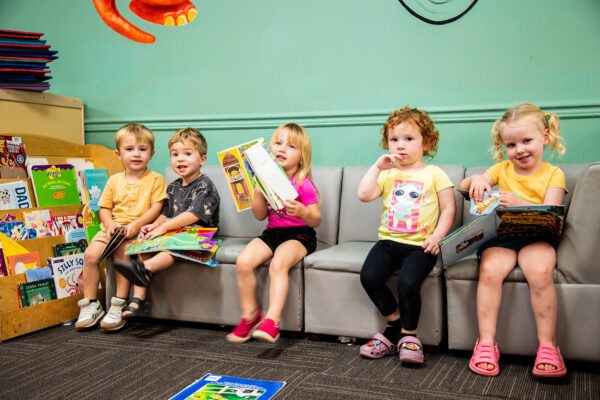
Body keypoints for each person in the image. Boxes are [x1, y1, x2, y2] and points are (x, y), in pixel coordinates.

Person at [460, 103, 567, 378]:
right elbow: (465, 186)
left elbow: (552, 211)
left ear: (545, 138)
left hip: (537, 236)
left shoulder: (554, 174)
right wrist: (478, 181)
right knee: (489, 271)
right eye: (511, 144)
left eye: (527, 141)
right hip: (503, 236)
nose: (519, 149)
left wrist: (519, 202)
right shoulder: (502, 169)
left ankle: (548, 346)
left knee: (541, 272)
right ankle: (485, 343)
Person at [357, 107, 455, 364]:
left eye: (409, 139)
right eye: (394, 139)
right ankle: (394, 323)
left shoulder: (436, 174)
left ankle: (409, 336)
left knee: (407, 283)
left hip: (419, 246)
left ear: (427, 142)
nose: (400, 145)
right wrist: (378, 166)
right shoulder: (388, 173)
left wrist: (437, 237)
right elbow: (364, 195)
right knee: (369, 276)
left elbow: (449, 209)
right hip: (388, 242)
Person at [226, 123, 322, 344]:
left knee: (279, 264)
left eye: (291, 146)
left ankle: (272, 321)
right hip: (273, 232)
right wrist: (257, 193)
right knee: (243, 261)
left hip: (300, 234)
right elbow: (260, 216)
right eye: (277, 143)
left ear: (301, 157)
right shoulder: (263, 181)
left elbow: (317, 219)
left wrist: (303, 211)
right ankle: (250, 315)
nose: (281, 149)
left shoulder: (303, 184)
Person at [113, 127, 220, 317]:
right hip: (176, 232)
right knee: (143, 244)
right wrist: (153, 226)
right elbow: (164, 212)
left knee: (171, 248)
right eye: (175, 154)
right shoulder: (172, 187)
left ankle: (145, 268)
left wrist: (164, 227)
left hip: (198, 235)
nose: (180, 159)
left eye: (187, 154)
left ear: (202, 160)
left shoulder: (205, 185)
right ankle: (139, 299)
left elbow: (192, 216)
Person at [75, 123, 167, 331]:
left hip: (136, 231)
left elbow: (156, 208)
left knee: (123, 255)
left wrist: (136, 224)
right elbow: (104, 208)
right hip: (112, 230)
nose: (136, 154)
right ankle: (91, 304)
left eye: (142, 150)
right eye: (129, 149)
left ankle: (118, 303)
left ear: (151, 154)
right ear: (118, 154)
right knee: (90, 256)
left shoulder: (155, 179)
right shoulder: (114, 180)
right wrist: (109, 224)